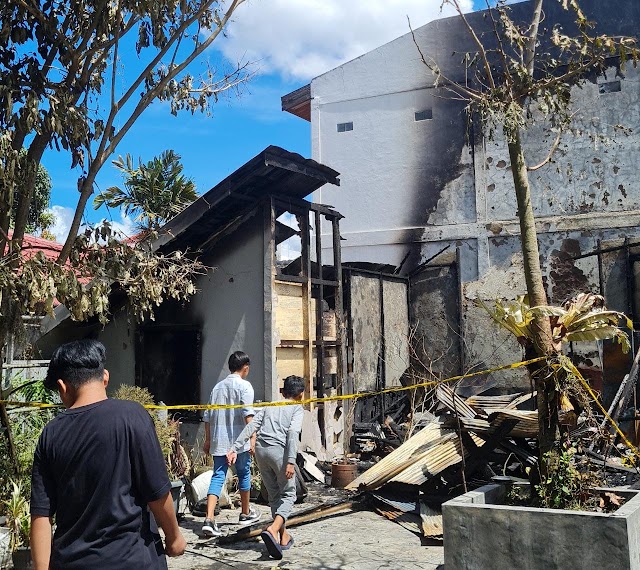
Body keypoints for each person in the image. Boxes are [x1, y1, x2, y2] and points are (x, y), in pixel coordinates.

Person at [30, 339, 186, 570]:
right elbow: (157, 492)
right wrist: (174, 539)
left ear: (63, 387)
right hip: (132, 559)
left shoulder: (50, 434)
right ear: (105, 377)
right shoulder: (132, 416)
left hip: (72, 562)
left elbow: (41, 516)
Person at [226, 375, 305, 560]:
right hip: (280, 453)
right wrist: (291, 461)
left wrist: (235, 448)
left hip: (261, 452)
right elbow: (293, 434)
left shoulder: (271, 405)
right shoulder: (297, 409)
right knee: (288, 494)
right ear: (301, 395)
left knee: (274, 495)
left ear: (283, 392)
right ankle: (273, 528)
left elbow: (251, 426)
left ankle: (282, 537)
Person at [202, 351, 261, 537]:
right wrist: (252, 438)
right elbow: (248, 415)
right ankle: (245, 512)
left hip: (219, 440)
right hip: (239, 440)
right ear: (246, 368)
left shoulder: (217, 388)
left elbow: (207, 417)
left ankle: (209, 519)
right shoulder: (245, 386)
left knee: (218, 476)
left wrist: (208, 439)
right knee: (244, 473)